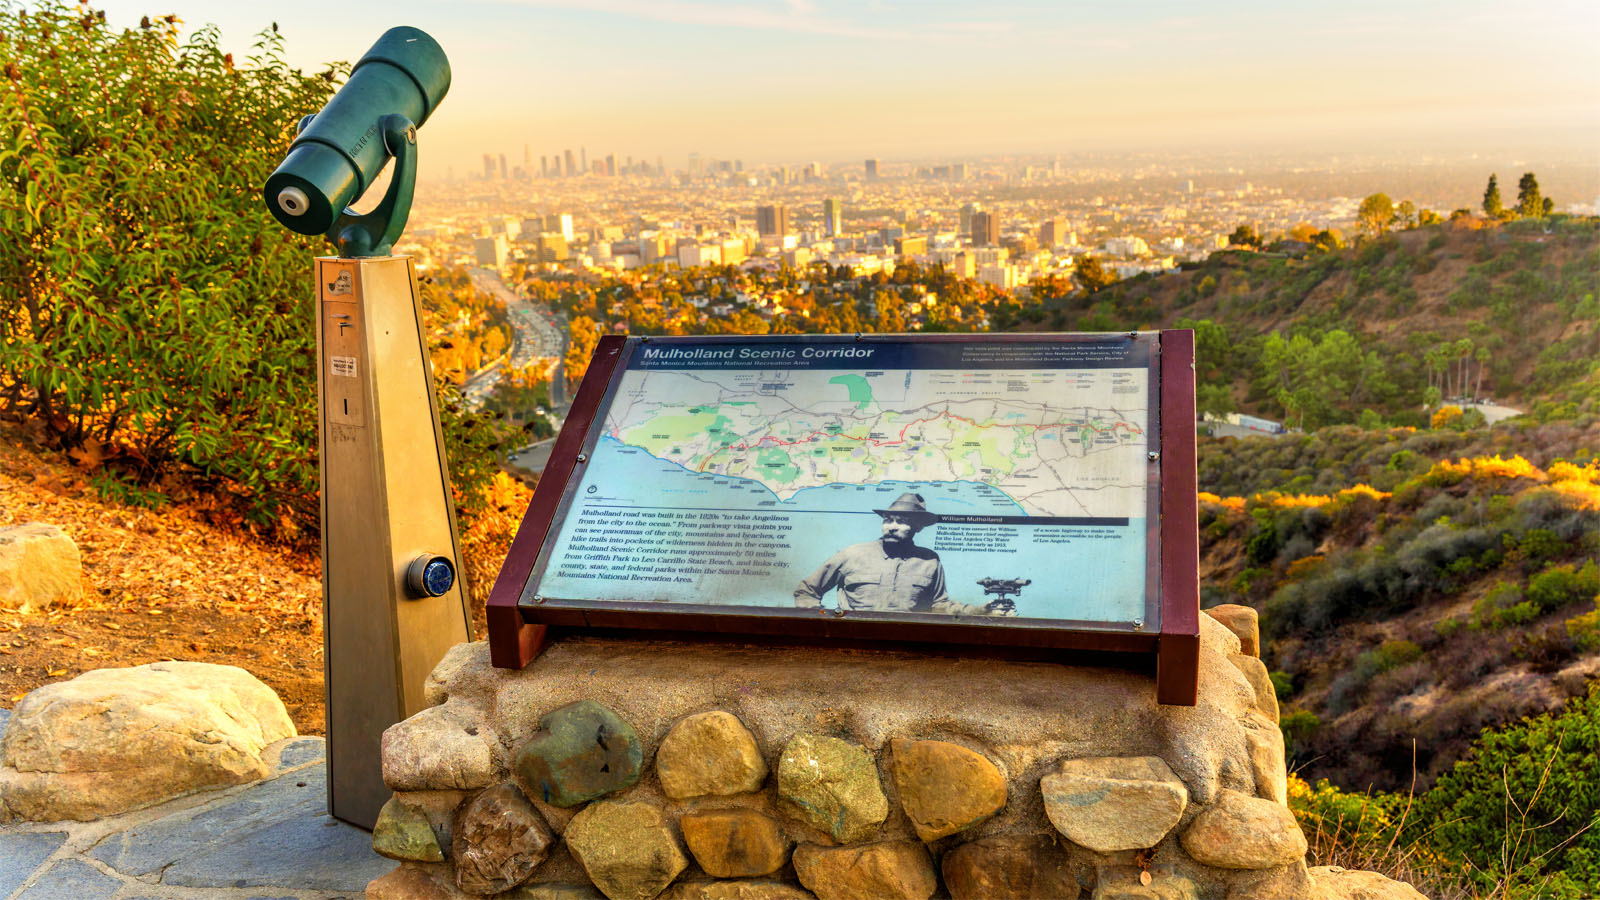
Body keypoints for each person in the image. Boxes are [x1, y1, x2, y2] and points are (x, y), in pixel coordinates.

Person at [793, 492, 1012, 616]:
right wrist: (824, 621)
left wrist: (981, 610)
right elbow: (807, 591)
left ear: (917, 527)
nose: (892, 527)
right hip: (852, 645)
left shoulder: (929, 560)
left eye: (902, 521)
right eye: (888, 520)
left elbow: (938, 605)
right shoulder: (852, 554)